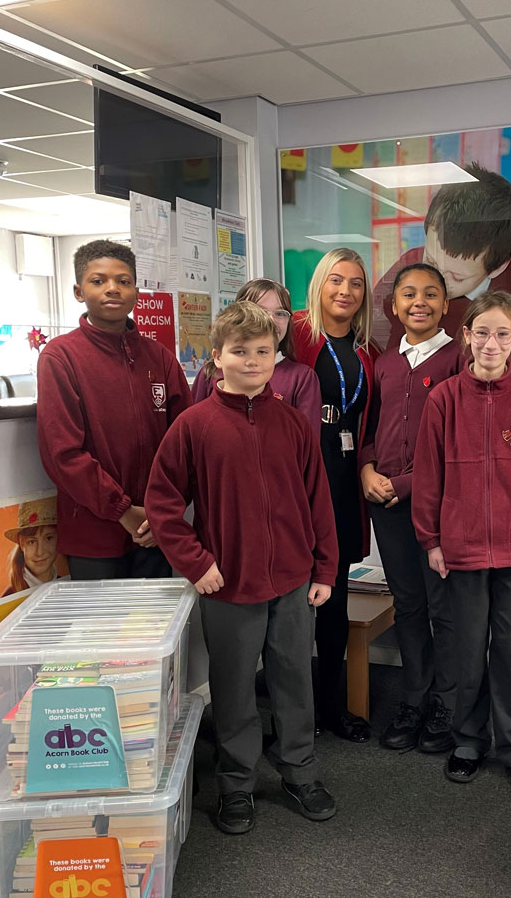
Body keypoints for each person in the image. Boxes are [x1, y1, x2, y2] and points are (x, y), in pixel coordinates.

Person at [146, 301, 339, 835]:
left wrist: (324, 569)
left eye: (263, 351)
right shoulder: (194, 426)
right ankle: (236, 784)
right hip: (228, 584)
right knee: (232, 689)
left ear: (276, 356)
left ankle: (299, 770)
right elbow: (162, 505)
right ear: (216, 358)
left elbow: (317, 499)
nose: (252, 361)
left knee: (295, 679)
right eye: (239, 351)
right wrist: (195, 563)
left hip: (294, 581)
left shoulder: (294, 425)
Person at [413, 290, 511, 800]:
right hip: (463, 548)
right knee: (467, 649)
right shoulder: (443, 399)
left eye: (502, 333)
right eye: (482, 332)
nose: (491, 342)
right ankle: (469, 741)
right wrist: (431, 539)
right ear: (466, 336)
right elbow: (428, 478)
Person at [36, 239, 191, 579]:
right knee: (101, 631)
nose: (112, 289)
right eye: (98, 280)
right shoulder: (60, 357)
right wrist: (123, 510)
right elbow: (63, 453)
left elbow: (185, 441)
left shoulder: (159, 357)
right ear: (79, 291)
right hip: (95, 535)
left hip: (156, 530)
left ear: (136, 292)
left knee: (158, 629)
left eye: (123, 281)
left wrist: (164, 509)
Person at [359, 263, 463, 753]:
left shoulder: (458, 359)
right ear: (394, 306)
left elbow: (459, 444)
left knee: (444, 608)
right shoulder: (383, 362)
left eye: (430, 294)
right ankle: (414, 698)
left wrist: (403, 482)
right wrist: (367, 469)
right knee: (408, 605)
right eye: (408, 294)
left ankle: (447, 704)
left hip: (438, 506)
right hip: (388, 505)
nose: (418, 302)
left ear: (445, 305)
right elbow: (371, 428)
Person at [372, 163, 511, 378]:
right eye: (432, 262)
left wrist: (471, 365)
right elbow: (370, 342)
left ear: (498, 267)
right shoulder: (411, 267)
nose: (439, 282)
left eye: (457, 277)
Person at [290, 247, 378, 743]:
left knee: (335, 597)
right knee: (292, 599)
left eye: (356, 283)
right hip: (300, 481)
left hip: (343, 482)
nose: (345, 291)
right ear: (320, 286)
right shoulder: (296, 336)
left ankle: (331, 707)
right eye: (335, 281)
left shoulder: (366, 350)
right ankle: (293, 711)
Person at [192, 278, 320, 432]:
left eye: (280, 313)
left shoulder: (302, 378)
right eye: (260, 311)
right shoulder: (210, 373)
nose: (270, 320)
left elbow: (308, 444)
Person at [1, 497, 64, 597]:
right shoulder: (10, 595)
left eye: (48, 538)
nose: (40, 552)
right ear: (22, 544)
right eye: (32, 542)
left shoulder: (64, 582)